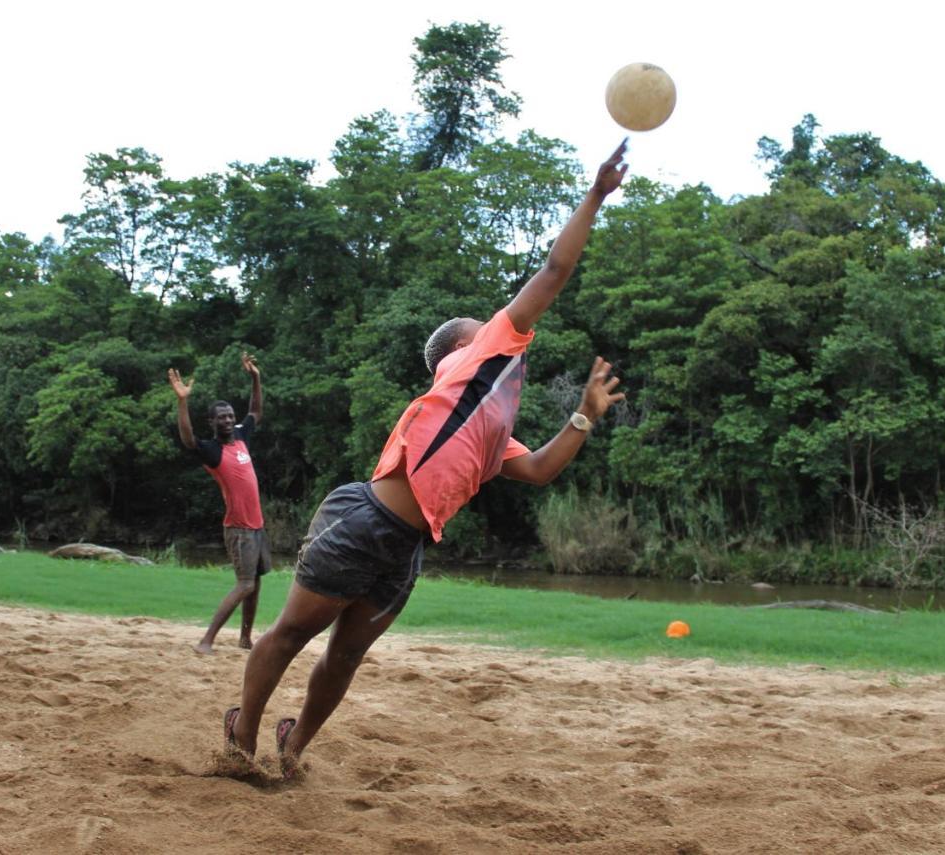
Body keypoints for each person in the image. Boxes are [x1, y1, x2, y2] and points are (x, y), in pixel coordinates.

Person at [225, 141, 630, 773]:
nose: (507, 324)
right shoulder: (476, 356)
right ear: (463, 348)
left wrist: (583, 415)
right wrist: (595, 195)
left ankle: (293, 743)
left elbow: (542, 470)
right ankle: (241, 736)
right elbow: (554, 271)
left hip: (405, 547)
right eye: (487, 323)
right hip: (363, 520)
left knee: (346, 655)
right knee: (294, 633)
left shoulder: (488, 424)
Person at [168, 352, 270, 654]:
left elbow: (256, 412)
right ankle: (206, 641)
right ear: (212, 422)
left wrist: (255, 378)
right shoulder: (212, 450)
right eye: (221, 417)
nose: (227, 420)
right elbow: (188, 439)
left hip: (258, 526)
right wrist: (182, 400)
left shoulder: (240, 436)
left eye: (229, 416)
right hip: (239, 528)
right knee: (245, 584)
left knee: (256, 583)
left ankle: (245, 638)